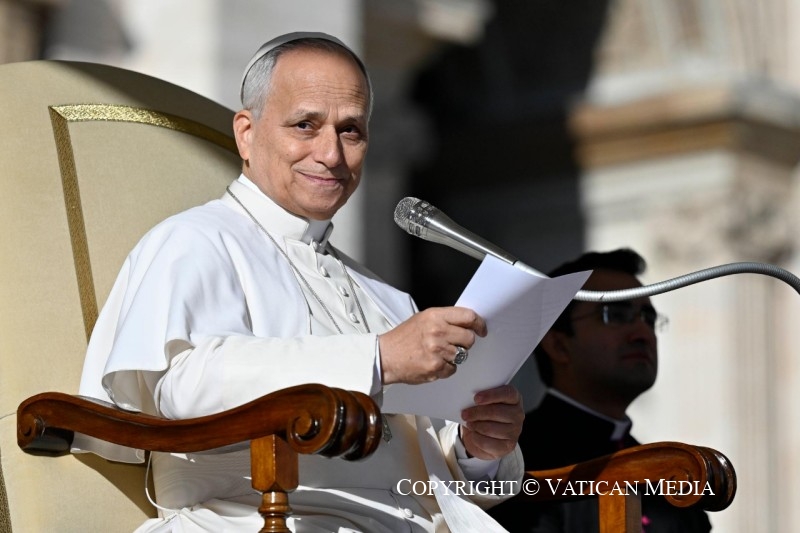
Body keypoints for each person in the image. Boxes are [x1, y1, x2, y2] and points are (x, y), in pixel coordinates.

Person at [73, 31, 525, 532]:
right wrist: (376, 358)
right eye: (305, 125)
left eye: (351, 131)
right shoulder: (193, 240)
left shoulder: (386, 296)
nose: (331, 154)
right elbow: (180, 387)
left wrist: (478, 448)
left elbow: (431, 469)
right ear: (246, 133)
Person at [489, 249, 712, 532]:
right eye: (615, 314)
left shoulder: (673, 474)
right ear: (558, 344)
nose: (642, 333)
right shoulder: (507, 462)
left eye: (648, 318)